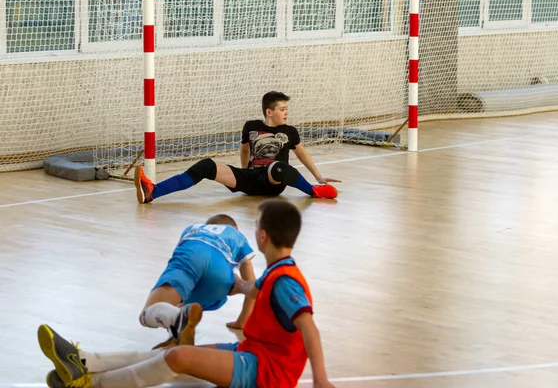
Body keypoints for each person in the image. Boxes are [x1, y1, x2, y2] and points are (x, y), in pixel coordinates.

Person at [38, 199, 335, 388]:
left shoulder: (286, 280)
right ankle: (85, 362)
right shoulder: (274, 273)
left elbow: (309, 328)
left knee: (178, 356)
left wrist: (320, 379)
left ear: (262, 236)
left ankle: (91, 384)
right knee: (169, 355)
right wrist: (233, 287)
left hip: (267, 373)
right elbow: (249, 286)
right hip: (252, 355)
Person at [134, 91, 341, 204]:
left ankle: (314, 191)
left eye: (287, 109)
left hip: (273, 181)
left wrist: (319, 177)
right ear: (269, 112)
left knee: (279, 166)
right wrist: (245, 170)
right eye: (282, 109)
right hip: (252, 178)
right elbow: (244, 150)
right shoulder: (251, 127)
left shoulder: (289, 131)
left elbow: (302, 153)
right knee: (206, 165)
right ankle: (153, 191)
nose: (286, 113)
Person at [139, 213, 257, 349]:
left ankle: (175, 318)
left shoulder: (192, 228)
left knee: (150, 312)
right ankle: (177, 333)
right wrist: (243, 320)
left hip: (191, 254)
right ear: (235, 227)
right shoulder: (235, 234)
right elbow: (251, 279)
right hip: (220, 276)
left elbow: (180, 262)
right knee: (209, 298)